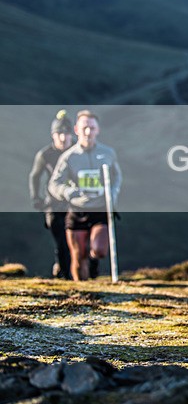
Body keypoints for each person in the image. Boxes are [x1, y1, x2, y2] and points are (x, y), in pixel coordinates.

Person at [49, 110, 122, 281]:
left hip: (100, 209)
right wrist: (69, 193)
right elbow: (54, 183)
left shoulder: (107, 153)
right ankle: (83, 290)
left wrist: (112, 193)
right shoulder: (69, 157)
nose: (88, 132)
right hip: (77, 210)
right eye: (84, 128)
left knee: (99, 250)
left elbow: (117, 176)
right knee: (78, 255)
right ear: (76, 130)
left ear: (98, 130)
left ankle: (93, 260)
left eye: (92, 128)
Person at [29, 110, 74, 279]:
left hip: (75, 203)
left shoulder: (77, 151)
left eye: (66, 134)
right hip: (53, 204)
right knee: (61, 241)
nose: (63, 138)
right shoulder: (45, 155)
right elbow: (34, 176)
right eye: (59, 134)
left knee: (76, 240)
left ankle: (79, 273)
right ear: (53, 135)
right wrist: (36, 198)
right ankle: (65, 275)